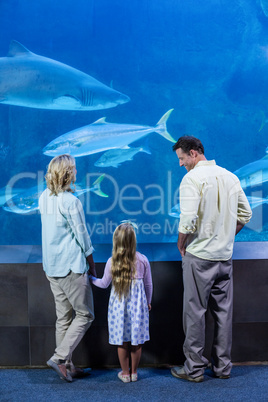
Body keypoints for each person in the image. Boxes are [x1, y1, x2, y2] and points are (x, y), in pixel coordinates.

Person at [171, 136, 252, 383]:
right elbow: (246, 214)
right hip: (224, 258)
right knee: (223, 314)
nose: (181, 164)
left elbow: (188, 219)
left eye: (182, 159)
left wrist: (181, 243)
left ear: (194, 153)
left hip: (199, 257)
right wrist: (226, 235)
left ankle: (194, 370)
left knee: (195, 313)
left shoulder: (191, 179)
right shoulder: (231, 176)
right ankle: (223, 368)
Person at [39, 154, 96, 382]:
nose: (75, 171)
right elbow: (82, 236)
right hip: (71, 267)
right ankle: (60, 357)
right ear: (68, 173)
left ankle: (68, 366)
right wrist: (92, 266)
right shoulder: (71, 201)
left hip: (51, 266)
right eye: (73, 168)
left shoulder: (44, 197)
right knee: (85, 314)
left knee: (63, 318)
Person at [90, 222, 153, 383]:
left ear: (116, 241)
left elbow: (103, 283)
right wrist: (148, 302)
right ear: (134, 240)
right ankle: (134, 373)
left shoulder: (112, 261)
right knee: (136, 341)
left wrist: (90, 278)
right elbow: (148, 285)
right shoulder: (143, 259)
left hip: (119, 309)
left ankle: (125, 373)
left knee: (122, 341)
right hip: (138, 307)